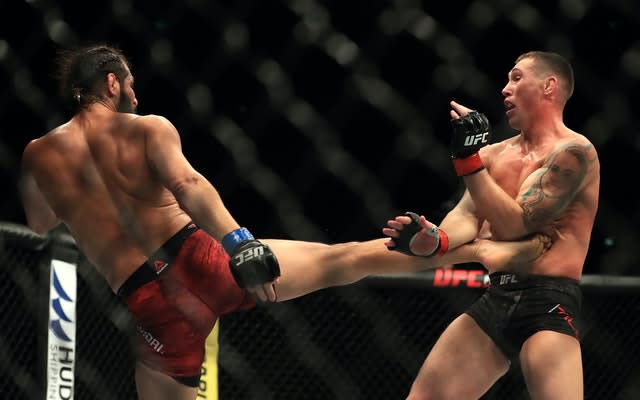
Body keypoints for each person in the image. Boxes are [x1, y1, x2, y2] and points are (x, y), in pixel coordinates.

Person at [20, 44, 550, 400]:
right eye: (129, 83)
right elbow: (189, 186)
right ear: (112, 83)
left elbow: (42, 225)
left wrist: (93, 211)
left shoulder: (38, 156)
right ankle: (486, 249)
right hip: (201, 259)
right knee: (348, 257)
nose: (134, 92)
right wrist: (240, 243)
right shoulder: (144, 129)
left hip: (149, 305)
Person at [384, 51, 600, 400]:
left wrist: (468, 161)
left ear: (549, 86)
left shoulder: (575, 152)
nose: (504, 89)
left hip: (549, 299)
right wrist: (435, 239)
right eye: (506, 79)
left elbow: (519, 224)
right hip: (497, 296)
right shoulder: (493, 155)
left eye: (516, 78)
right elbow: (468, 216)